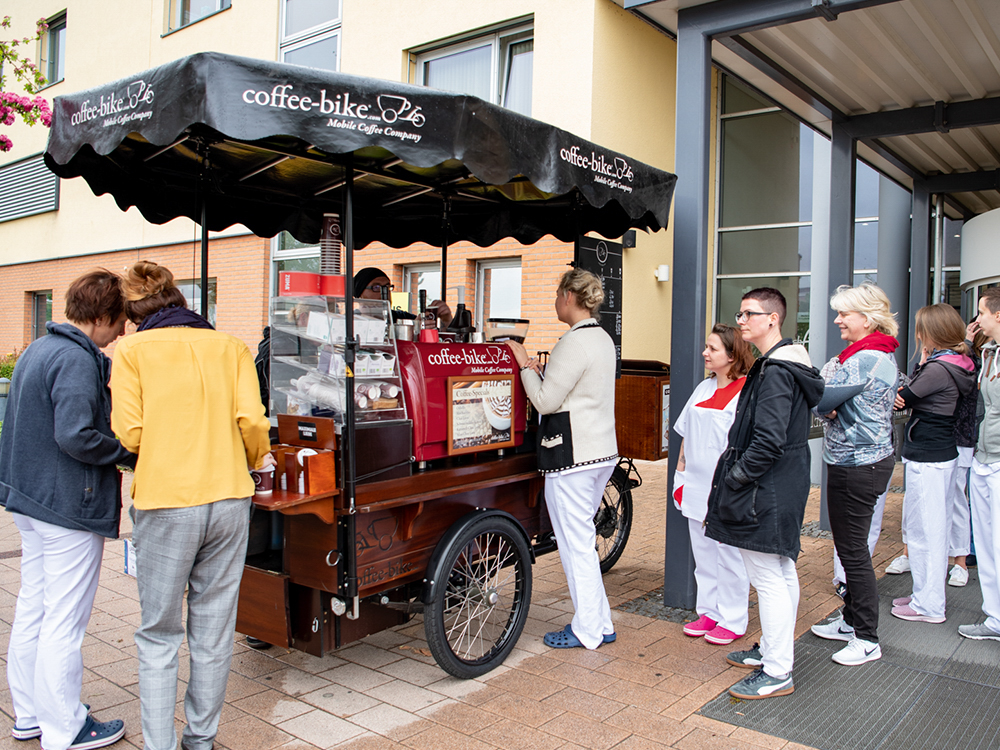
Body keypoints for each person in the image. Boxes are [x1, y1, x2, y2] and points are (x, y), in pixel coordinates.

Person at [110, 261, 273, 750]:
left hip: (165, 500)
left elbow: (130, 433)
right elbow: (252, 422)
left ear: (134, 310)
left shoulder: (132, 350)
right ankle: (200, 739)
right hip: (228, 498)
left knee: (159, 631)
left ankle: (160, 743)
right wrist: (253, 458)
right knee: (214, 627)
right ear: (177, 299)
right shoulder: (230, 346)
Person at [1, 269, 135, 750]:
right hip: (67, 507)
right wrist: (127, 452)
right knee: (64, 619)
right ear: (101, 315)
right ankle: (66, 728)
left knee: (34, 609)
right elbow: (76, 435)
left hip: (31, 500)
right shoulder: (77, 360)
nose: (123, 332)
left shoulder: (39, 348)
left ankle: (31, 715)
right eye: (120, 320)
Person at [705, 287, 824, 700]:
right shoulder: (784, 363)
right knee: (780, 569)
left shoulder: (775, 370)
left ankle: (777, 671)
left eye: (749, 314)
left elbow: (768, 441)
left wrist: (736, 478)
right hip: (780, 482)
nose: (741, 321)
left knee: (768, 577)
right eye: (739, 313)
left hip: (765, 486)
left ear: (773, 318)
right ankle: (775, 653)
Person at [506, 268, 617, 650]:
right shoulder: (601, 338)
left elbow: (546, 401)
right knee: (582, 541)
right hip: (600, 452)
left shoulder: (574, 342)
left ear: (569, 297)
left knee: (575, 545)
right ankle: (600, 622)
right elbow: (570, 391)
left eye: (556, 295)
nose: (555, 301)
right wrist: (540, 374)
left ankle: (588, 630)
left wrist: (523, 365)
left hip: (573, 456)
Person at [808, 284, 899, 666]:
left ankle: (867, 637)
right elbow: (825, 393)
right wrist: (826, 398)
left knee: (853, 553)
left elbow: (819, 395)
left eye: (845, 314)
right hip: (856, 461)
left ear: (867, 317)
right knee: (850, 549)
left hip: (859, 465)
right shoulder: (863, 355)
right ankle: (850, 622)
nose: (838, 320)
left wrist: (825, 399)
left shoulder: (863, 359)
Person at [891, 303, 975, 624]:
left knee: (928, 529)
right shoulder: (957, 362)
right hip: (936, 453)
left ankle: (929, 605)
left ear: (931, 333)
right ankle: (922, 595)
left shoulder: (939, 368)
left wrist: (910, 384)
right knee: (925, 527)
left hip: (929, 455)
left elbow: (905, 395)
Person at [674, 324, 753, 646]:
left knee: (729, 553)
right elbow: (685, 435)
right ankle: (708, 610)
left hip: (727, 485)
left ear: (732, 355)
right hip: (695, 482)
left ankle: (733, 618)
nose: (705, 353)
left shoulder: (747, 392)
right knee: (703, 551)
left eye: (713, 349)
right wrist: (680, 475)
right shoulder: (703, 388)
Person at [959, 286, 1000, 641]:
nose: (977, 319)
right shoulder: (987, 353)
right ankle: (994, 617)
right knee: (986, 543)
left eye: (982, 312)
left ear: (998, 315)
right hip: (983, 458)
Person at [352, 266, 452, 325]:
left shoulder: (402, 317)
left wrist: (446, 319)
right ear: (360, 294)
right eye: (376, 287)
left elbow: (445, 341)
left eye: (387, 287)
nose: (384, 293)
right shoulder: (350, 322)